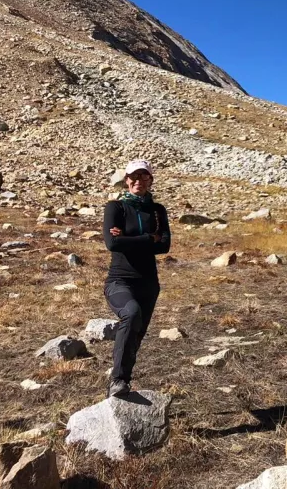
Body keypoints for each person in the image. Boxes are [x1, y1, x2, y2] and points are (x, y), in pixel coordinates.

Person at [102, 160, 171, 398]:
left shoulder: (157, 210)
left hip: (149, 285)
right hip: (119, 281)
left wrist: (130, 238)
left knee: (135, 336)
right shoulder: (116, 208)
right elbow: (112, 243)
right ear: (126, 179)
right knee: (130, 314)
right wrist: (147, 238)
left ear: (151, 180)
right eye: (134, 176)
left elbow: (164, 246)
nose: (138, 181)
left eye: (144, 176)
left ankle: (122, 382)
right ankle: (117, 381)